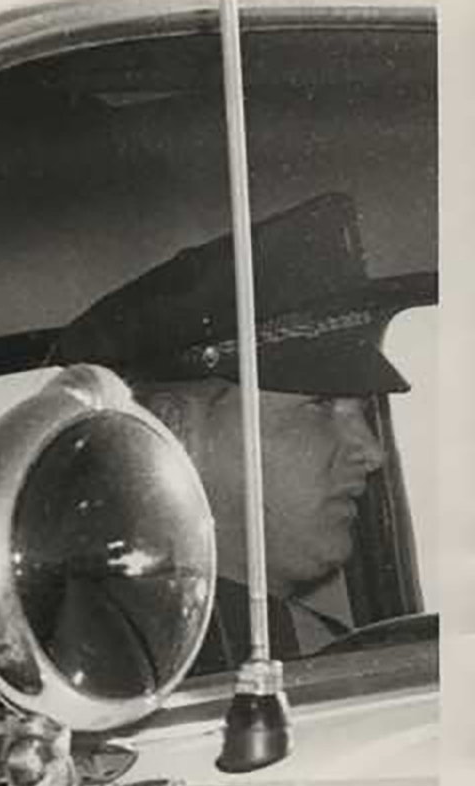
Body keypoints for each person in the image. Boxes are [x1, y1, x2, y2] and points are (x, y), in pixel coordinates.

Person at [52, 192, 436, 671]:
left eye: (361, 412)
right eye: (319, 406)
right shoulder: (121, 663)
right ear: (175, 430)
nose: (372, 451)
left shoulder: (277, 639)